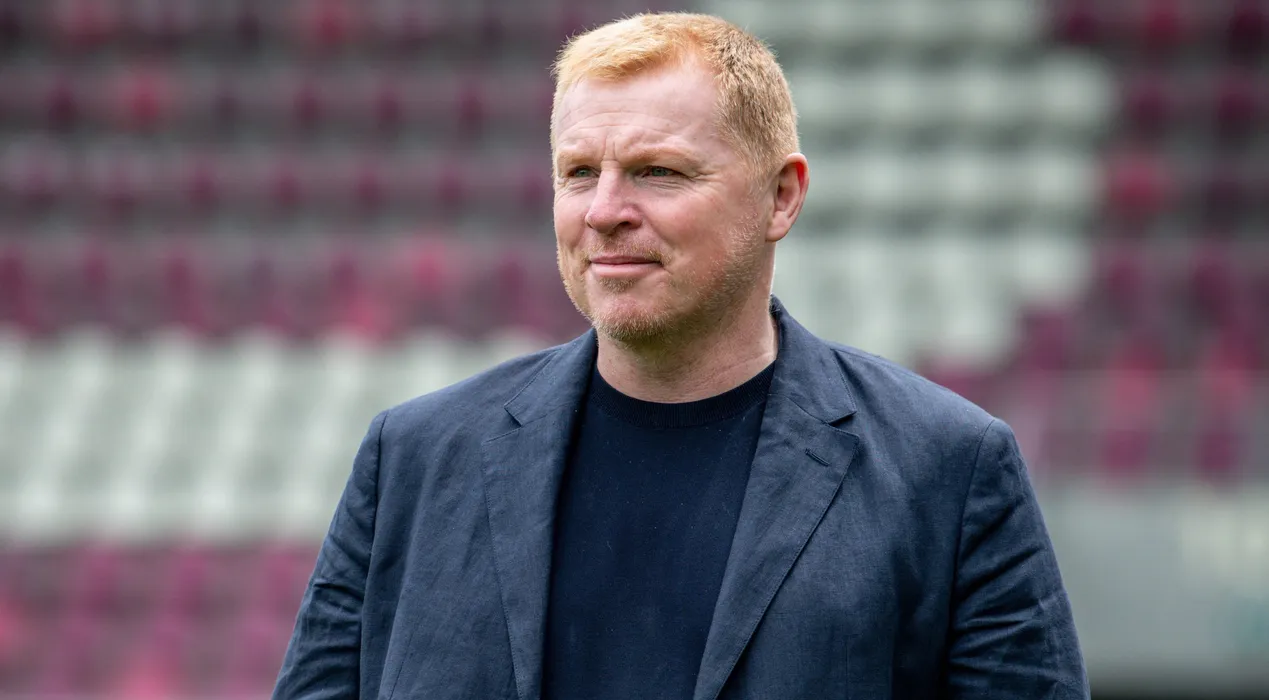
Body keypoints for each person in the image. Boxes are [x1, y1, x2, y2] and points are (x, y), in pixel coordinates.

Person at [271, 12, 1088, 700]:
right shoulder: (413, 459)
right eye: (578, 172)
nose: (603, 211)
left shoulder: (947, 470)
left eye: (656, 172)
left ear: (781, 197)